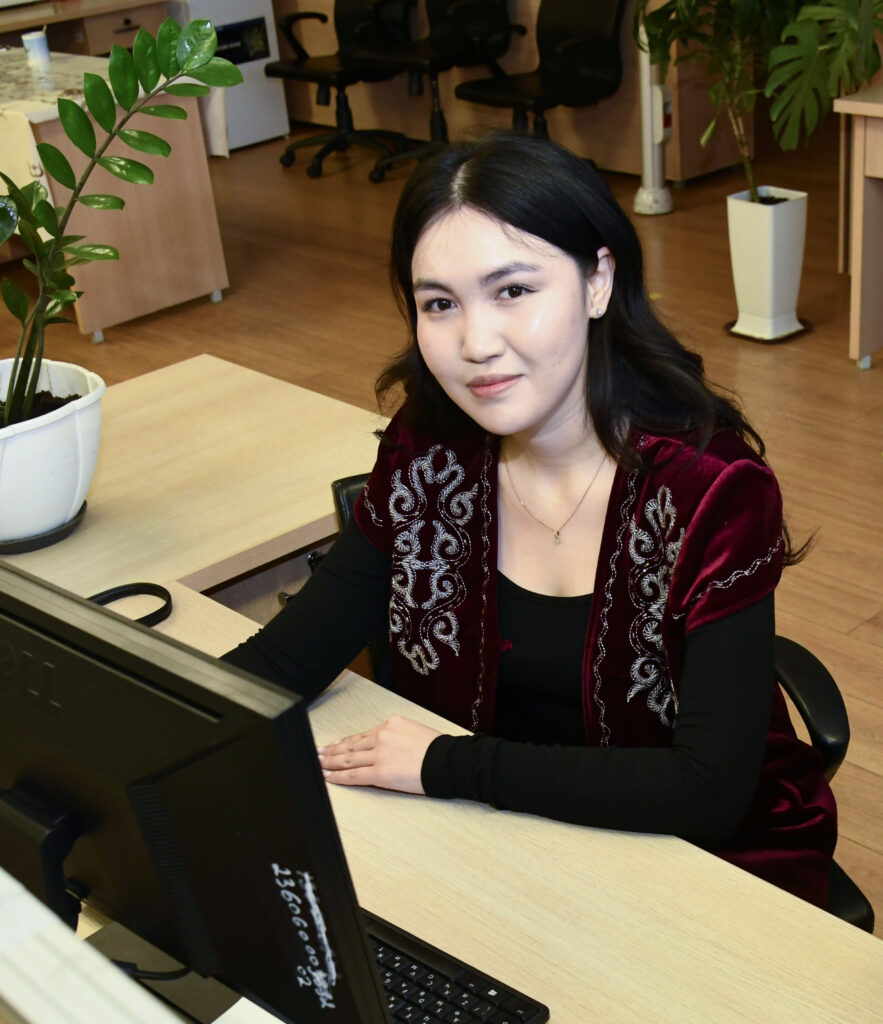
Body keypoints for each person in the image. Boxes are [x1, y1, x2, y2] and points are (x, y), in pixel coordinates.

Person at [224, 133, 836, 908]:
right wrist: (134, 721)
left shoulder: (710, 490)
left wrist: (444, 764)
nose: (475, 343)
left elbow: (704, 790)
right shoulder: (428, 450)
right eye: (439, 304)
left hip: (695, 860)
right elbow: (284, 661)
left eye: (512, 290)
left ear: (596, 281)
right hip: (494, 837)